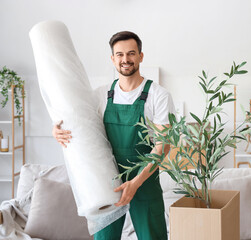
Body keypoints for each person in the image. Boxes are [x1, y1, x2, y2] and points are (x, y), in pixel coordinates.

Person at [52, 31, 174, 240]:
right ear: (112, 59)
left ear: (141, 56)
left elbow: (163, 146)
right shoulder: (100, 94)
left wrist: (135, 183)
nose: (125, 60)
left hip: (143, 179)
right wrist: (56, 129)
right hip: (107, 178)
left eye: (131, 53)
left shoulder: (158, 95)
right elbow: (77, 123)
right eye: (119, 55)